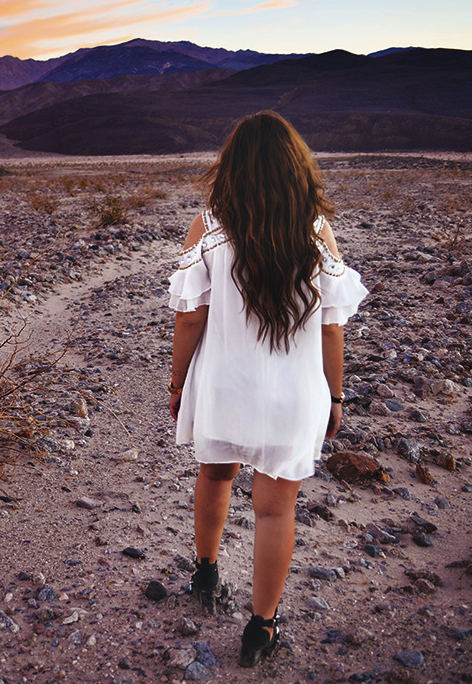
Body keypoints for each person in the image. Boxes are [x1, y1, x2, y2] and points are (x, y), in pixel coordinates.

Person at [167, 111, 368, 668]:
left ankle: (205, 575)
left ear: (231, 167)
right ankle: (261, 627)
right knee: (276, 511)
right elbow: (332, 324)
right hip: (293, 394)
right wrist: (336, 395)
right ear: (294, 167)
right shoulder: (314, 231)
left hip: (224, 385)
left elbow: (190, 318)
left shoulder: (209, 226)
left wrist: (178, 381)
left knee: (214, 474)